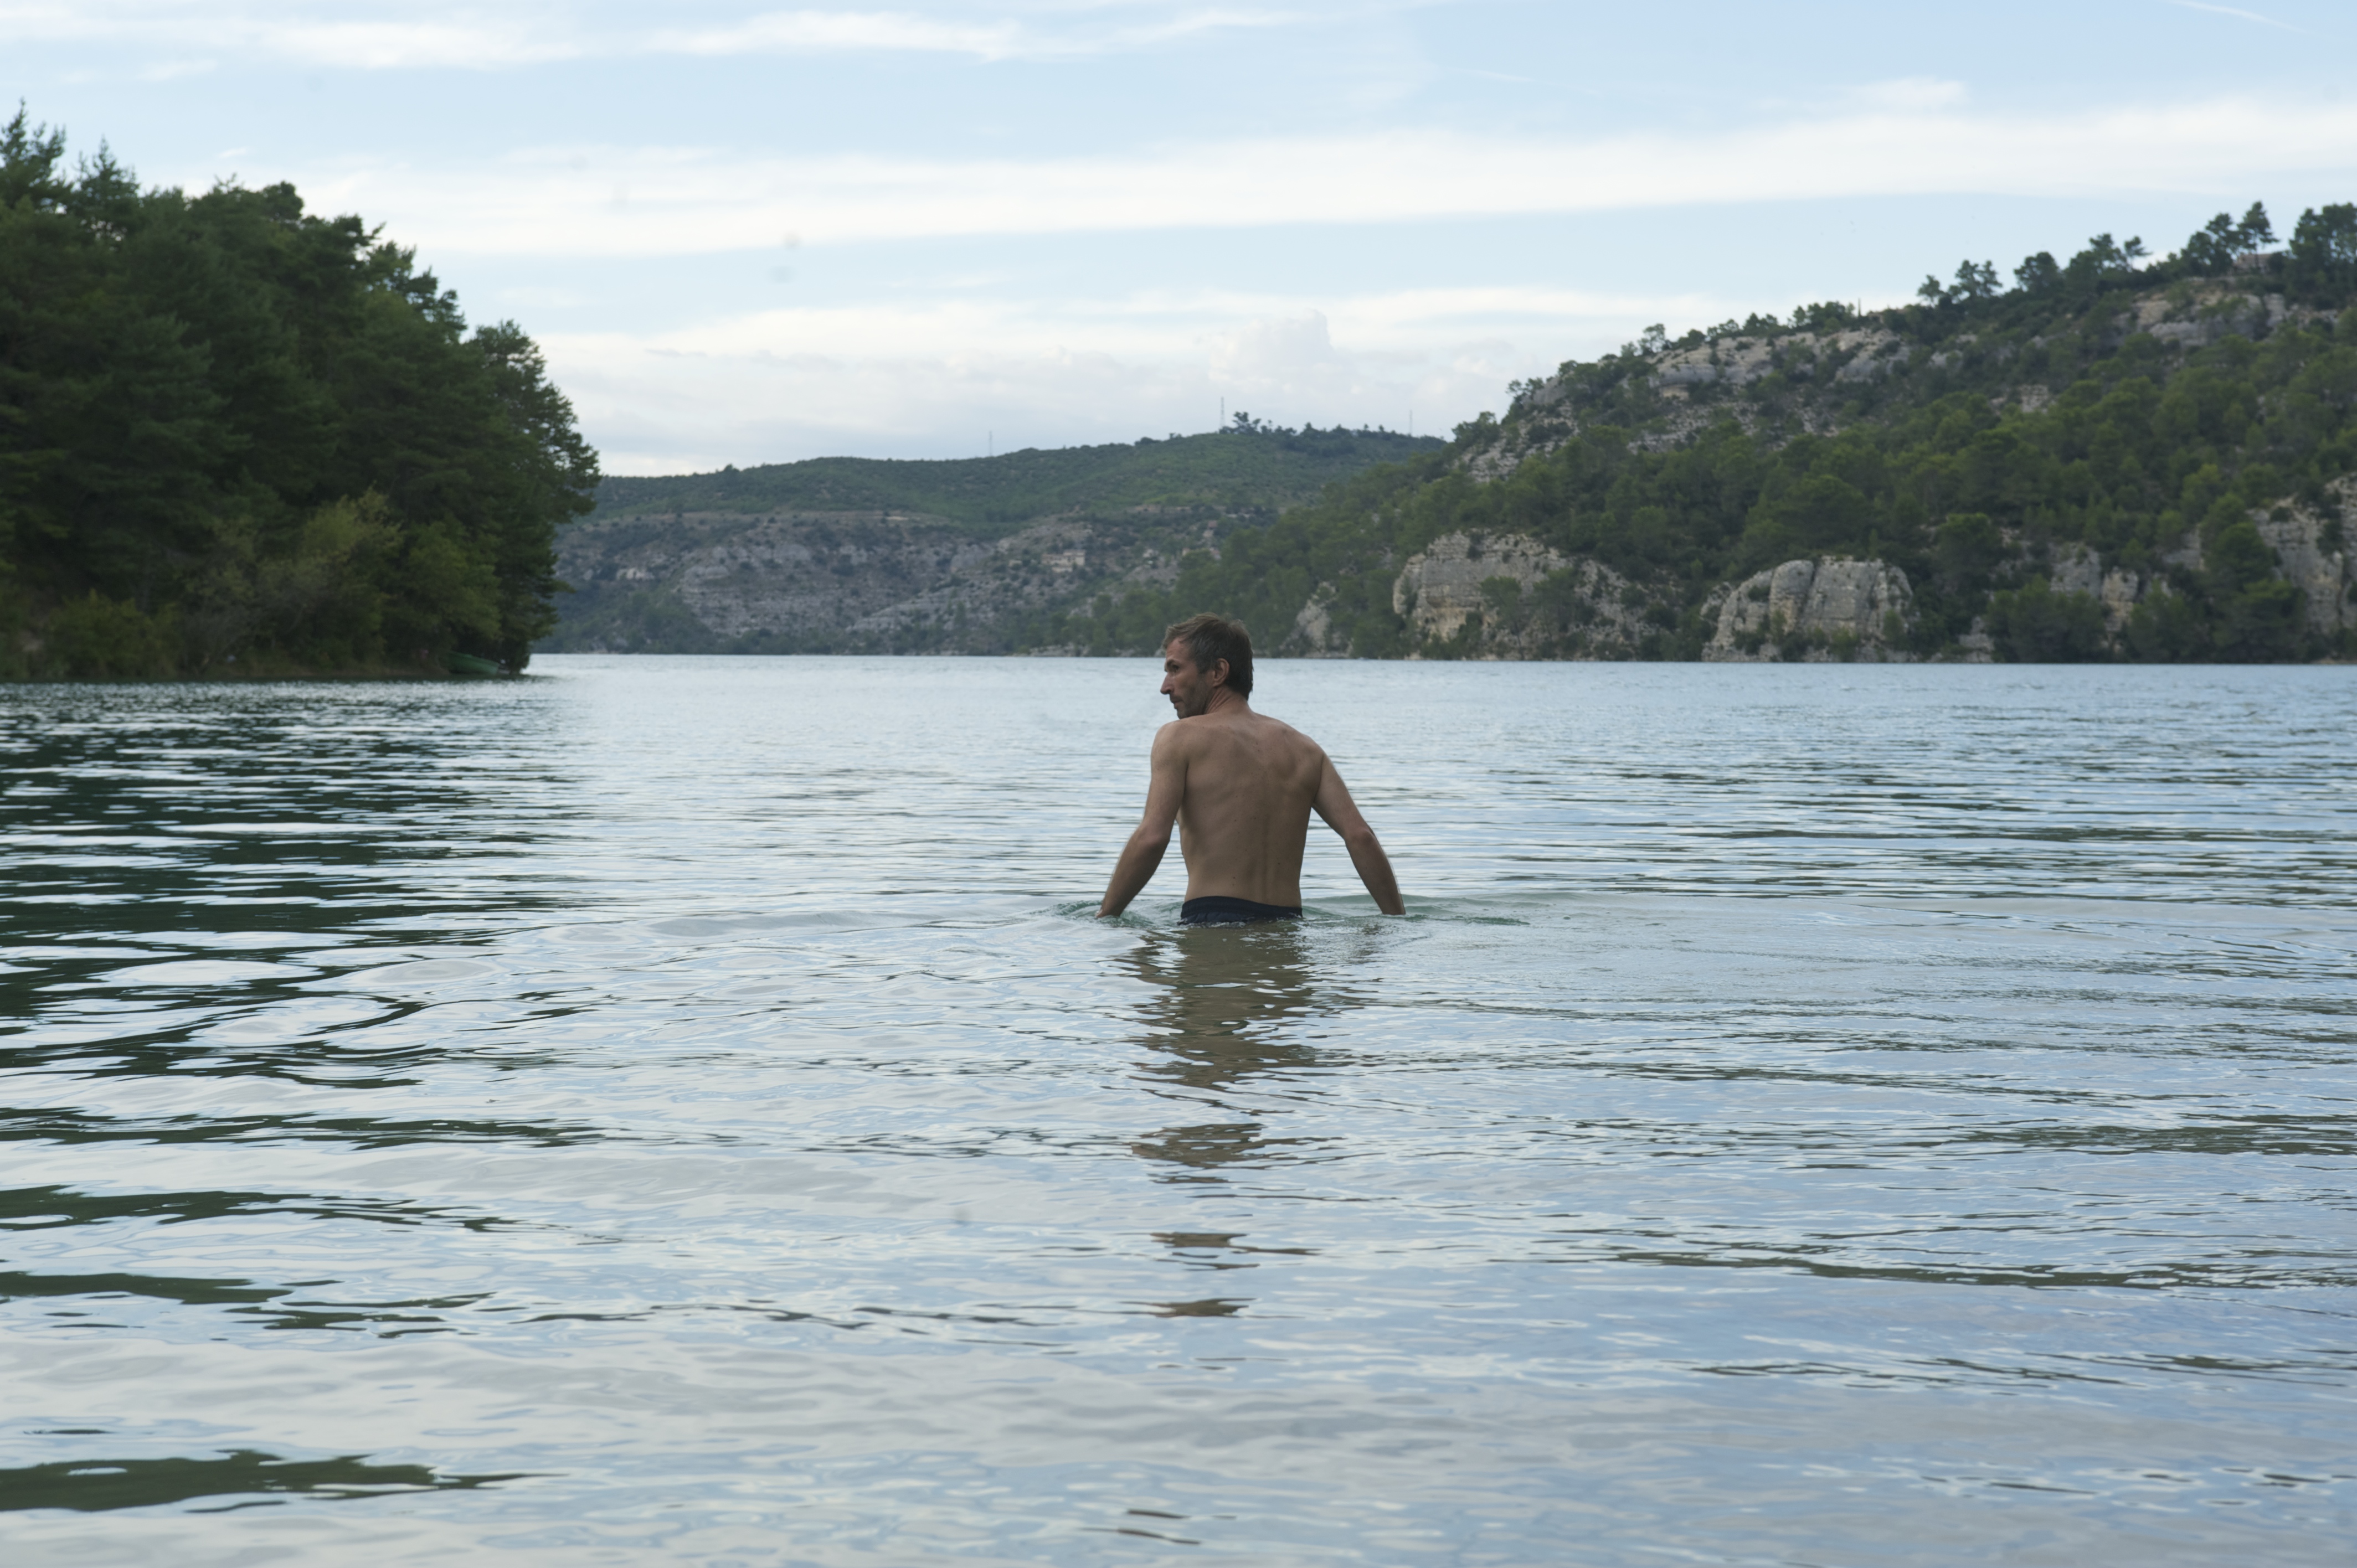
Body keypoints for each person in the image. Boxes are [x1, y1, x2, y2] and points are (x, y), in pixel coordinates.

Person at [1096, 613, 1405, 924]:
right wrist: (1397, 923)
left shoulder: (1179, 738)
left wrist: (1105, 916)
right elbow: (1361, 836)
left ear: (1218, 671)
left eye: (1175, 669)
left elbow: (1152, 838)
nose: (1165, 687)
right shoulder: (1306, 750)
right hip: (1288, 928)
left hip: (1212, 924)